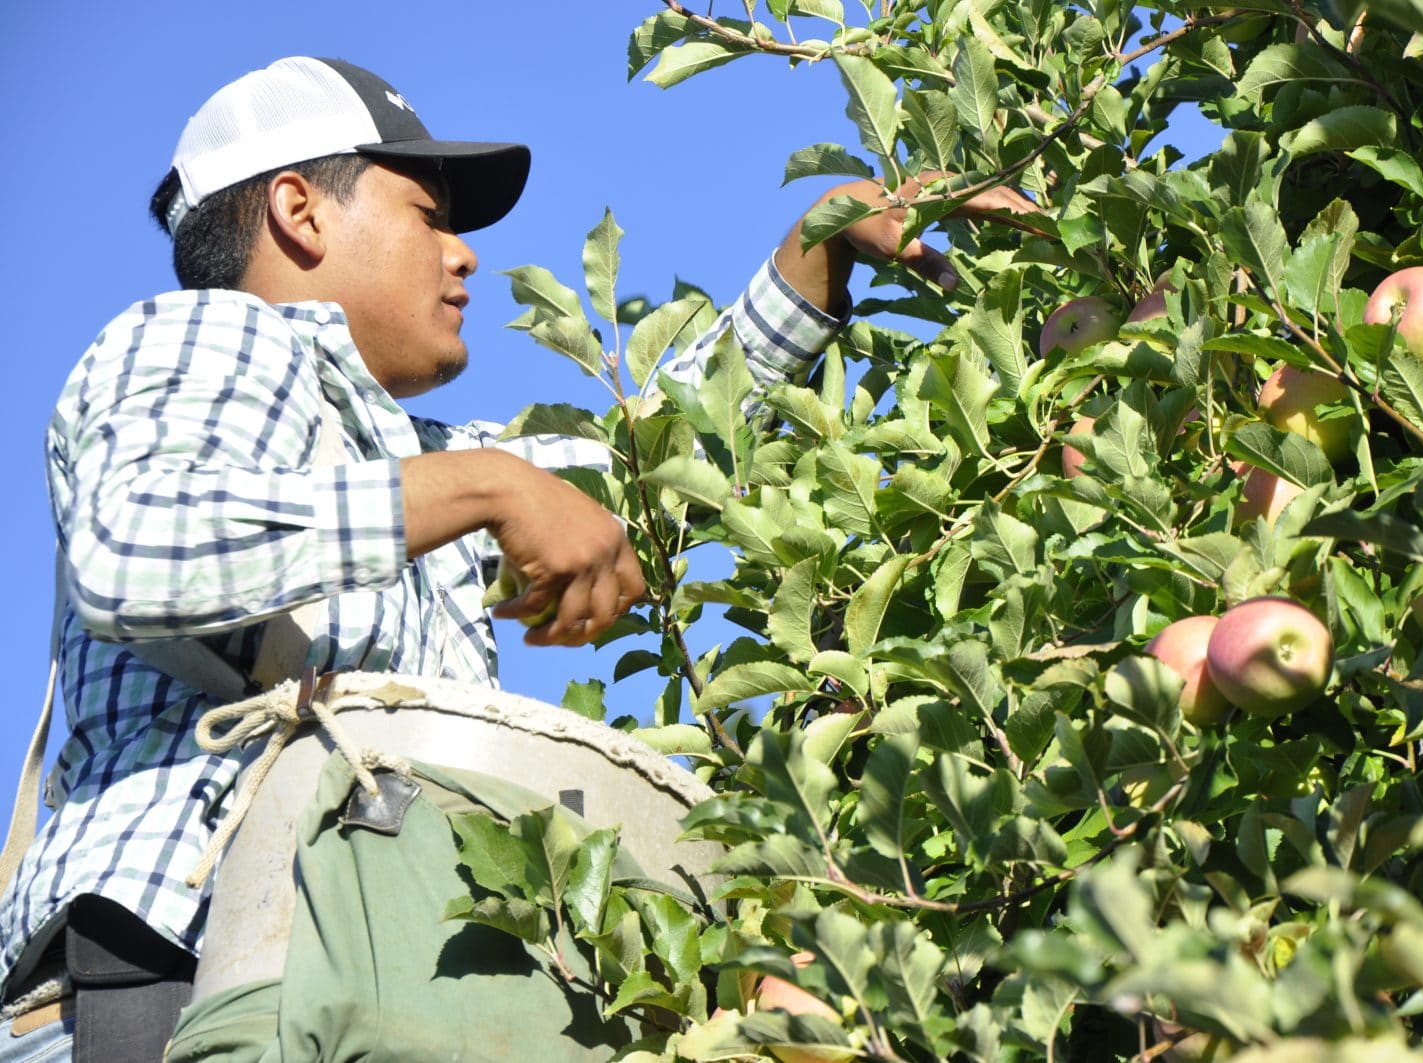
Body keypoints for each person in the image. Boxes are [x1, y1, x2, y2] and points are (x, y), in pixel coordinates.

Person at [0, 56, 1032, 1062]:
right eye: (428, 214)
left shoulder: (425, 462)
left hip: (353, 989)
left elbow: (662, 455)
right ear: (298, 211)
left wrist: (822, 245)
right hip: (174, 992)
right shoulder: (208, 338)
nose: (465, 255)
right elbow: (137, 544)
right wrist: (494, 487)